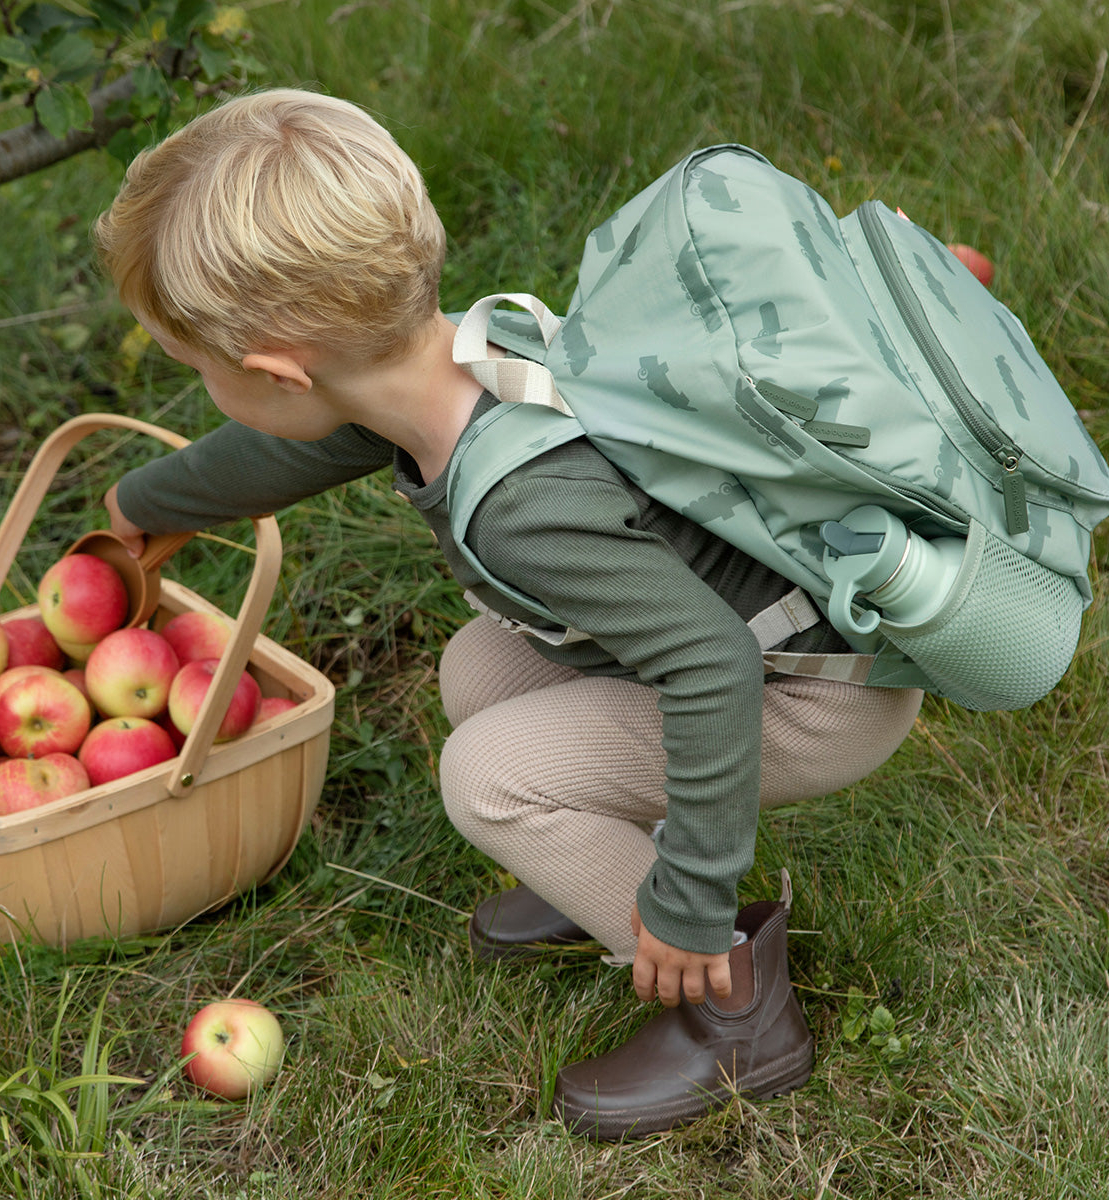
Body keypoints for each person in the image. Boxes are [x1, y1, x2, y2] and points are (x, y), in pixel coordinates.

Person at [95, 87, 922, 1139]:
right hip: (763, 640)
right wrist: (146, 505)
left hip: (811, 695)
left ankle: (731, 1008)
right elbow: (288, 448)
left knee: (487, 779)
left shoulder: (526, 508)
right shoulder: (458, 360)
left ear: (275, 372)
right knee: (480, 673)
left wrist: (691, 900)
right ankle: (598, 873)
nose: (209, 390)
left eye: (201, 372)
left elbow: (711, 664)